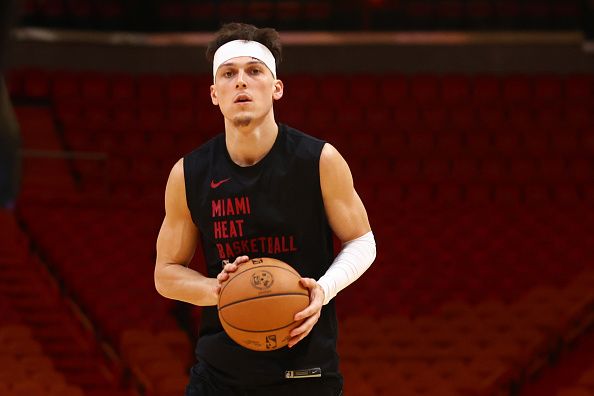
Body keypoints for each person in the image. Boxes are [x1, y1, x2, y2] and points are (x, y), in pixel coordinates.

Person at [154, 22, 376, 396]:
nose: (241, 81)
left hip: (305, 371)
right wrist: (218, 290)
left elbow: (363, 241)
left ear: (276, 88)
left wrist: (323, 289)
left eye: (254, 71)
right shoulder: (188, 174)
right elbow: (165, 274)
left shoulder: (319, 160)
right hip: (219, 376)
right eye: (229, 73)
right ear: (214, 93)